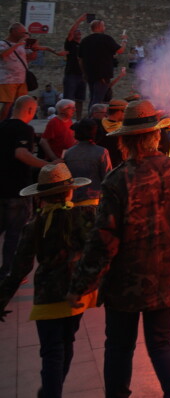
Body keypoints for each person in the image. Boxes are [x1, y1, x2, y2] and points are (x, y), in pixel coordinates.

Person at [68, 99, 170, 398]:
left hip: (125, 281)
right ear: (155, 135)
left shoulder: (118, 179)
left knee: (118, 345)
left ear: (125, 140)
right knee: (163, 342)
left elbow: (104, 239)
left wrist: (81, 283)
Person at [0, 163, 98, 398]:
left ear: (41, 197)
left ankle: (50, 393)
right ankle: (51, 391)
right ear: (70, 191)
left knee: (52, 352)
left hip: (47, 297)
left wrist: (2, 298)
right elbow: (97, 251)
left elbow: (19, 269)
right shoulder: (84, 216)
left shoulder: (33, 227)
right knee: (67, 344)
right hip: (76, 295)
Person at [1, 95, 49, 279]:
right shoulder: (24, 129)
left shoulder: (2, 125)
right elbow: (21, 153)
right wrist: (47, 165)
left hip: (1, 189)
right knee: (15, 234)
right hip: (17, 190)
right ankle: (9, 272)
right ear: (30, 110)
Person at [77, 20, 124, 109]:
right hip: (103, 74)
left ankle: (91, 118)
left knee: (93, 97)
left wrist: (84, 73)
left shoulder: (85, 41)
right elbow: (120, 50)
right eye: (103, 25)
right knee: (97, 99)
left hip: (90, 74)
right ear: (99, 27)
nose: (104, 27)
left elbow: (80, 59)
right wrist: (124, 40)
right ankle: (94, 119)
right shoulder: (106, 38)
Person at [63, 119, 110, 204]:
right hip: (94, 198)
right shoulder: (102, 152)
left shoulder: (69, 152)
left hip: (73, 199)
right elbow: (107, 177)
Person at [1, 23, 33, 120]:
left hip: (21, 79)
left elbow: (30, 57)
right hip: (8, 79)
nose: (24, 34)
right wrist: (18, 44)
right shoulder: (2, 43)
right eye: (22, 32)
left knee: (22, 103)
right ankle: (2, 124)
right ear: (13, 31)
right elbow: (2, 55)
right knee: (8, 103)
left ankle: (18, 123)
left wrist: (33, 48)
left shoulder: (22, 45)